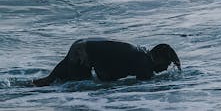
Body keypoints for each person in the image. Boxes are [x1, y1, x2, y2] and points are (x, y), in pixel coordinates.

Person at [32, 37, 180, 87]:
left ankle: (17, 89)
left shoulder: (140, 54)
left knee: (47, 82)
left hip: (81, 46)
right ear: (159, 57)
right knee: (80, 90)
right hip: (83, 53)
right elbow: (107, 76)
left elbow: (108, 71)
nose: (166, 67)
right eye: (167, 63)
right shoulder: (144, 63)